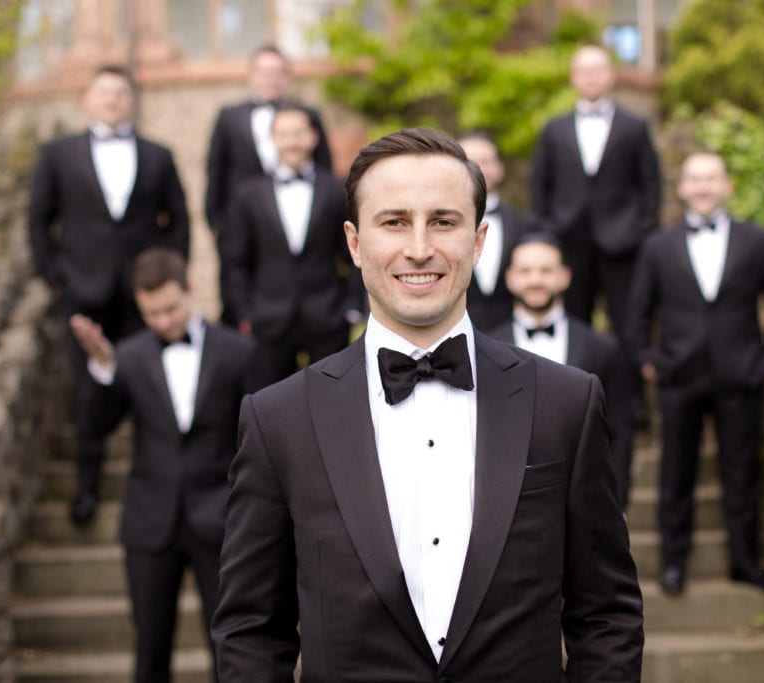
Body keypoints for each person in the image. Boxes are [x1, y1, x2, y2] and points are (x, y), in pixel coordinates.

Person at [212, 127, 643, 681]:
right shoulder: (279, 420)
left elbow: (606, 615)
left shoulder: (567, 402)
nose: (420, 247)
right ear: (355, 242)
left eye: (444, 221)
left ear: (480, 241)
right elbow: (250, 633)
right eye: (394, 222)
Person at [70, 248, 255, 682]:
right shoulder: (128, 357)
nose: (163, 321)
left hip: (221, 522)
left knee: (228, 649)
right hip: (149, 524)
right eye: (151, 313)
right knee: (150, 651)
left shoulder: (238, 352)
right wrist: (101, 369)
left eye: (170, 308)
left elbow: (257, 440)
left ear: (189, 292)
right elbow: (95, 428)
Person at [27, 64, 189, 525]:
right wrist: (55, 276)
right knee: (87, 393)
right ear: (88, 100)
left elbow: (178, 220)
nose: (113, 100)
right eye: (104, 93)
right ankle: (87, 489)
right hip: (84, 288)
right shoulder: (58, 154)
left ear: (132, 99)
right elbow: (39, 219)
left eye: (121, 92)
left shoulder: (159, 155)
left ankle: (156, 490)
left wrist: (169, 276)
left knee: (152, 389)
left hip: (145, 297)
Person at [627, 152, 764, 596]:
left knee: (741, 473)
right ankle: (673, 564)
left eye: (711, 178)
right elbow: (637, 312)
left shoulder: (758, 241)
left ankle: (744, 561)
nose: (703, 187)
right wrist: (649, 360)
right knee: (674, 472)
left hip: (741, 376)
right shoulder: (657, 246)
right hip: (678, 377)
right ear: (681, 188)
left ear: (727, 186)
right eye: (694, 179)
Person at [529, 44, 660, 421]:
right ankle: (577, 403)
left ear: (610, 75)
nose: (590, 77)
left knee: (628, 324)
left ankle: (632, 404)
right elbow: (541, 186)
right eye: (583, 71)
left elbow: (650, 185)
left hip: (623, 242)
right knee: (574, 320)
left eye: (597, 70)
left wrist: (643, 232)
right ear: (574, 78)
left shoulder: (635, 126)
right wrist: (547, 234)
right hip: (569, 244)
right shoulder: (553, 129)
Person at [217, 103, 360, 389]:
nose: (292, 141)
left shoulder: (337, 190)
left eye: (299, 133)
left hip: (328, 316)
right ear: (273, 139)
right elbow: (235, 261)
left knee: (333, 398)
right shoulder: (248, 196)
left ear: (313, 137)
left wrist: (352, 308)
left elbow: (356, 251)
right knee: (270, 404)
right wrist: (244, 313)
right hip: (267, 319)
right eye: (284, 134)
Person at [489, 232, 634, 510]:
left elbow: (620, 433)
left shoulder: (603, 349)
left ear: (565, 276)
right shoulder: (485, 349)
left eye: (546, 270)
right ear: (510, 278)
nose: (535, 280)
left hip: (586, 501)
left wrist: (617, 503)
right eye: (526, 271)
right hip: (508, 506)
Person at [205, 44, 331, 235]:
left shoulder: (307, 114)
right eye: (264, 72)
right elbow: (216, 168)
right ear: (251, 75)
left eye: (277, 72)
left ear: (286, 76)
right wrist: (215, 220)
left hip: (296, 214)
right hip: (241, 217)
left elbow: (323, 163)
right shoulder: (228, 116)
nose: (271, 79)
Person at [458, 132, 537, 332]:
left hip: (514, 342)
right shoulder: (437, 225)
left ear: (500, 168)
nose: (478, 168)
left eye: (486, 161)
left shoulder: (526, 224)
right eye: (468, 161)